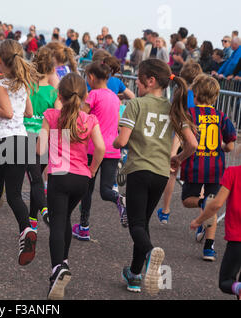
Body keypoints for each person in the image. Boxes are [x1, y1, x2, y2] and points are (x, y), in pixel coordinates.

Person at [114, 59, 198, 294]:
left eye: (139, 81)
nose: (137, 86)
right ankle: (134, 274)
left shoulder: (136, 104)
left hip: (139, 169)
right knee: (143, 224)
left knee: (136, 223)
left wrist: (113, 141)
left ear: (150, 81)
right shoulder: (175, 108)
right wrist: (178, 160)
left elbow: (122, 141)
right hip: (161, 173)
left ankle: (151, 255)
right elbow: (192, 143)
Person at [37, 73, 105, 300]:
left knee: (57, 222)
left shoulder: (52, 115)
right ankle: (64, 262)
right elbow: (100, 148)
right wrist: (92, 170)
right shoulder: (89, 120)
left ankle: (57, 269)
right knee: (64, 217)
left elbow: (39, 149)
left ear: (60, 95)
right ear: (84, 95)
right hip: (81, 179)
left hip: (59, 175)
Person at [0, 39, 38, 266]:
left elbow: (8, 112)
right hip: (21, 140)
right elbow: (29, 113)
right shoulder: (22, 84)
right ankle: (25, 230)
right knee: (14, 194)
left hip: (0, 141)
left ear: (0, 61)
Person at [180, 74, 236, 261]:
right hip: (215, 167)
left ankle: (202, 203)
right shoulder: (221, 117)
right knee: (212, 203)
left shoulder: (189, 113)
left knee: (188, 199)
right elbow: (230, 145)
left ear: (194, 94)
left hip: (194, 165)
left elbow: (186, 141)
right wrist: (220, 147)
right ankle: (209, 248)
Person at [73, 60, 127, 243]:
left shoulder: (93, 95)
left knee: (86, 189)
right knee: (105, 190)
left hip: (92, 148)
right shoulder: (115, 97)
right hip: (112, 149)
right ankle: (118, 198)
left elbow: (82, 119)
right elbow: (118, 122)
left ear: (91, 77)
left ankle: (84, 228)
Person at [157, 62, 203, 224]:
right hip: (195, 136)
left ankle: (166, 210)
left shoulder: (179, 92)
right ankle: (203, 215)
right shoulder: (199, 95)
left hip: (178, 133)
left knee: (172, 174)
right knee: (200, 179)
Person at [190, 164, 241, 300]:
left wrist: (199, 220)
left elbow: (217, 203)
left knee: (226, 282)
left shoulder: (233, 172)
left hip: (237, 240)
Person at [23, 46, 58, 231]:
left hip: (27, 137)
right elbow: (58, 116)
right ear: (52, 70)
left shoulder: (26, 88)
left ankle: (44, 211)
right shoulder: (54, 93)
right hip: (46, 139)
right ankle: (33, 220)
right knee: (36, 179)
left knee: (35, 179)